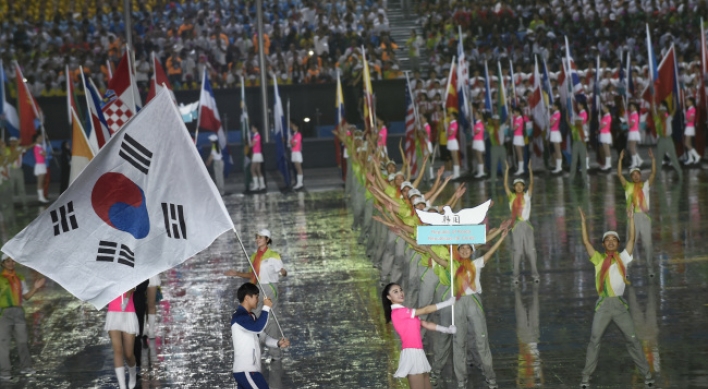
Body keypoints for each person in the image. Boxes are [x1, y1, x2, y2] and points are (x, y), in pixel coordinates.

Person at [577, 207, 654, 389]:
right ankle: (585, 377)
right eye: (607, 240)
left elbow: (632, 239)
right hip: (603, 306)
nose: (611, 242)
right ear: (603, 244)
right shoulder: (597, 259)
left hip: (619, 306)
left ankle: (647, 375)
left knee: (633, 340)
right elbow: (586, 241)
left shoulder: (623, 258)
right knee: (594, 340)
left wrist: (631, 219)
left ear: (617, 244)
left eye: (614, 240)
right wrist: (583, 221)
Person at [429, 222, 509, 389]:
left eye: (468, 249)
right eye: (462, 248)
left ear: (472, 251)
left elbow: (491, 252)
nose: (465, 250)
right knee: (459, 342)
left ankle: (491, 378)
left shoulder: (476, 263)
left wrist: (501, 237)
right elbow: (436, 258)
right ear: (458, 251)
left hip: (473, 302)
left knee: (481, 340)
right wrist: (428, 248)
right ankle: (461, 381)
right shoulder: (452, 265)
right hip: (457, 302)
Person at [224, 229, 287, 359]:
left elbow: (283, 272)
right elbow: (252, 275)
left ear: (267, 240)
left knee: (270, 320)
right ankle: (257, 351)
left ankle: (276, 354)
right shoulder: (253, 256)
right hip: (257, 288)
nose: (257, 240)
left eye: (260, 238)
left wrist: (283, 271)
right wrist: (236, 273)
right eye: (257, 237)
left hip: (269, 288)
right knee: (257, 318)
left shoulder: (273, 255)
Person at [381, 283, 456, 389]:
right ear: (389, 297)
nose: (400, 293)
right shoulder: (399, 312)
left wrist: (447, 329)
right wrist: (447, 303)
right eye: (395, 292)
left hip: (418, 352)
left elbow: (426, 324)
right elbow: (425, 310)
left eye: (401, 290)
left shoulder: (406, 313)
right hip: (411, 354)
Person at [231, 282, 290, 389]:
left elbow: (263, 336)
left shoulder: (250, 317)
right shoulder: (239, 317)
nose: (258, 300)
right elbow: (258, 327)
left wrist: (278, 343)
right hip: (247, 371)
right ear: (247, 298)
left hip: (249, 371)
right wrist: (266, 307)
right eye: (256, 297)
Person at [0, 254, 45, 382]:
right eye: (7, 261)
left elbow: (26, 297)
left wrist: (35, 287)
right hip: (4, 314)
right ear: (2, 264)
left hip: (18, 312)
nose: (10, 263)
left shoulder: (20, 278)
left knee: (22, 342)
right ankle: (4, 372)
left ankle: (26, 367)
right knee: (3, 344)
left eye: (12, 261)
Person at [617, 149, 656, 277]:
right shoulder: (628, 186)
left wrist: (653, 159)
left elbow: (653, 173)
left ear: (640, 175)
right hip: (632, 218)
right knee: (631, 244)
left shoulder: (645, 185)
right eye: (633, 174)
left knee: (648, 244)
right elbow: (620, 175)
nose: (635, 176)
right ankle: (627, 269)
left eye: (637, 174)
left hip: (644, 217)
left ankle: (650, 269)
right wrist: (620, 160)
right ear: (631, 177)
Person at [504, 161, 539, 284]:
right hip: (517, 226)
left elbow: (532, 183)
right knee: (517, 251)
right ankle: (515, 277)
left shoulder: (527, 196)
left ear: (523, 187)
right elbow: (505, 185)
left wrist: (530, 169)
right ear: (514, 187)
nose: (519, 187)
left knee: (530, 250)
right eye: (516, 185)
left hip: (527, 225)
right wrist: (507, 169)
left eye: (521, 185)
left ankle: (535, 275)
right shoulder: (511, 197)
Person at [105, 289, 139, 389]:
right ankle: (122, 386)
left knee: (128, 354)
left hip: (128, 313)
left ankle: (133, 374)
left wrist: (127, 298)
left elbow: (133, 287)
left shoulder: (130, 274)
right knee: (118, 351)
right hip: (113, 313)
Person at [652, 102, 682, 179]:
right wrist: (653, 101)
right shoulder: (657, 119)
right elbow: (653, 111)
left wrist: (675, 101)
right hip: (661, 139)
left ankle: (680, 173)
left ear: (666, 112)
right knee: (659, 158)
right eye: (661, 111)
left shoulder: (668, 118)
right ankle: (657, 175)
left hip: (668, 139)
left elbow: (674, 110)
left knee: (673, 157)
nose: (662, 112)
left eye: (664, 111)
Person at [6, 137, 28, 210]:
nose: (12, 143)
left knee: (21, 188)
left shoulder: (19, 149)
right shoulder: (7, 150)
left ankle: (24, 204)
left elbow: (26, 148)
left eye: (14, 141)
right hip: (11, 170)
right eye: (11, 142)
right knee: (10, 189)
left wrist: (20, 143)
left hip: (18, 170)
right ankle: (10, 205)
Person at [683, 97, 701, 165]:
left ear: (691, 102)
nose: (686, 102)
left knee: (687, 144)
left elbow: (690, 119)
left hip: (690, 127)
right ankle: (690, 158)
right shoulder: (689, 109)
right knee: (689, 144)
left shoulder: (693, 109)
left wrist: (686, 120)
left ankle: (697, 156)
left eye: (687, 101)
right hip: (688, 127)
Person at [32, 133, 49, 203]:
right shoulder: (37, 147)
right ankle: (40, 197)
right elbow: (44, 154)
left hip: (42, 164)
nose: (41, 139)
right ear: (36, 139)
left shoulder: (40, 146)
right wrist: (45, 152)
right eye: (39, 138)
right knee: (40, 182)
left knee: (41, 182)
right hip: (39, 165)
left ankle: (41, 197)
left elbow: (45, 155)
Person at [471, 108, 486, 179]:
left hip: (479, 141)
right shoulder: (477, 123)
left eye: (476, 115)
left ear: (479, 116)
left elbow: (476, 132)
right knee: (477, 156)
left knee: (479, 156)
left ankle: (481, 172)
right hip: (476, 140)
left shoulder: (480, 124)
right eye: (475, 115)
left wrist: (472, 129)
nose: (475, 116)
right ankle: (480, 171)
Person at [250, 125, 266, 192]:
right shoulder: (256, 136)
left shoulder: (257, 136)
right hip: (257, 154)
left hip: (257, 154)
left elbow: (252, 144)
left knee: (252, 169)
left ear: (256, 128)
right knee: (258, 170)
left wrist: (249, 141)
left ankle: (256, 185)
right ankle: (262, 185)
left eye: (253, 128)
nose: (252, 129)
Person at [627, 103, 642, 169]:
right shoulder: (632, 114)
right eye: (630, 107)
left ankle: (634, 163)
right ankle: (638, 160)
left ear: (635, 108)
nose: (631, 108)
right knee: (632, 148)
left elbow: (631, 124)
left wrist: (627, 123)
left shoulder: (634, 115)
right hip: (633, 132)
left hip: (633, 132)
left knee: (631, 148)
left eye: (632, 107)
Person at [549, 103, 563, 174]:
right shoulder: (554, 114)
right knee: (556, 150)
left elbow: (552, 124)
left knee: (558, 151)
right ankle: (558, 167)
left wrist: (547, 122)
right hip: (553, 133)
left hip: (555, 133)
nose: (552, 107)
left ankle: (559, 167)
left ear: (557, 107)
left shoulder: (557, 114)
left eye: (553, 106)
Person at [598, 105, 613, 171]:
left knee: (606, 149)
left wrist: (598, 128)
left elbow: (603, 125)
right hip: (604, 133)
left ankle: (608, 165)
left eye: (604, 108)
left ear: (608, 109)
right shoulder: (605, 116)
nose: (603, 109)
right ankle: (608, 164)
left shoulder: (607, 117)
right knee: (606, 149)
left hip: (605, 133)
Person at [290, 121, 304, 190]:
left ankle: (300, 183)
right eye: (293, 126)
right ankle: (298, 183)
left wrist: (290, 142)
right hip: (293, 153)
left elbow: (294, 144)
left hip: (297, 153)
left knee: (299, 168)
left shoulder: (298, 134)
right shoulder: (294, 135)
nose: (293, 127)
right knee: (296, 168)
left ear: (297, 127)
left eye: (294, 126)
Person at [512, 107, 526, 176]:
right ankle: (520, 168)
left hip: (519, 137)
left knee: (519, 154)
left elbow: (514, 128)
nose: (514, 114)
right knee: (518, 154)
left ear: (518, 112)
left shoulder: (520, 119)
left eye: (515, 112)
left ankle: (521, 169)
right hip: (517, 137)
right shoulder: (517, 118)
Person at [446, 111, 461, 179]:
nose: (450, 117)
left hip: (453, 141)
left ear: (454, 117)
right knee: (453, 157)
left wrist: (448, 132)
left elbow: (450, 133)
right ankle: (456, 172)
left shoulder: (454, 124)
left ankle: (457, 173)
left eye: (451, 115)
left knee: (455, 158)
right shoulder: (451, 124)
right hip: (450, 141)